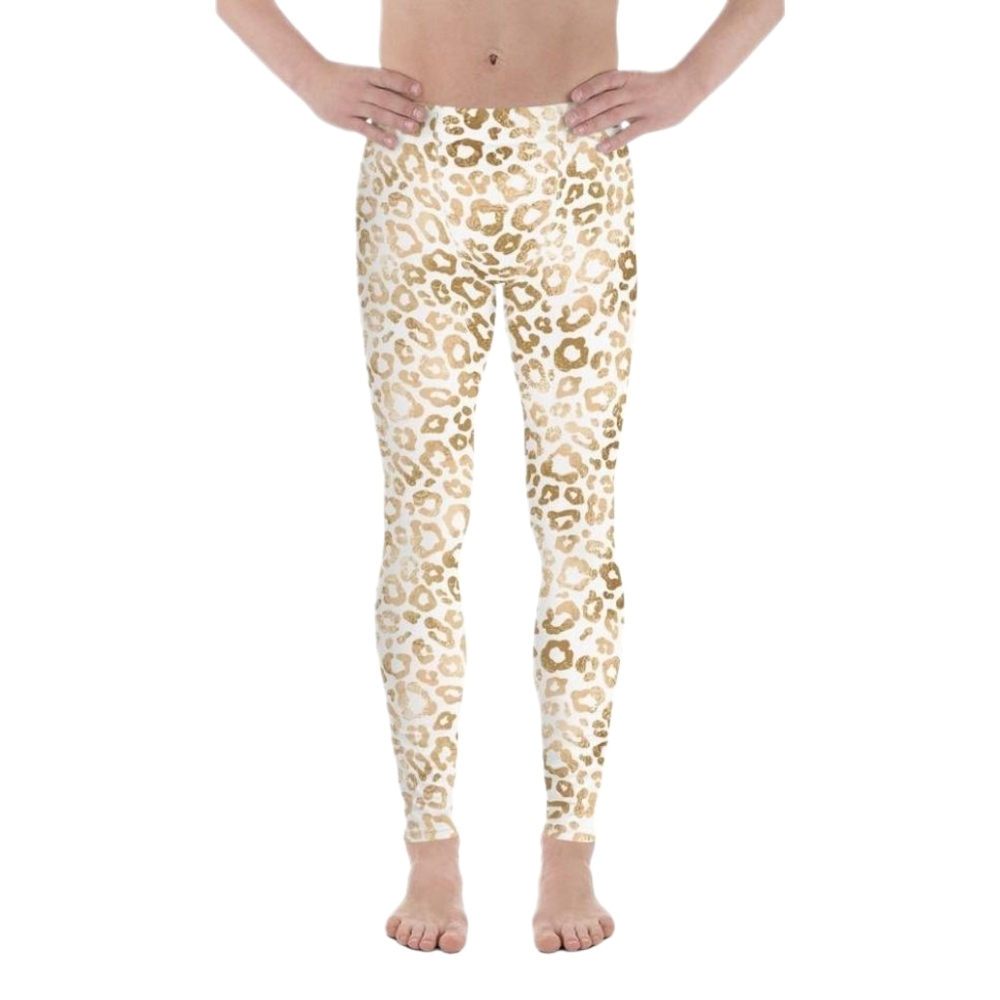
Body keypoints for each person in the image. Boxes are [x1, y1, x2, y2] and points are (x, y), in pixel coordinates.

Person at [216, 0, 784, 953]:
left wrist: (689, 84)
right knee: (422, 523)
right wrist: (311, 76)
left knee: (578, 522)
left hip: (574, 170)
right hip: (417, 170)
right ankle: (430, 851)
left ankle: (570, 848)